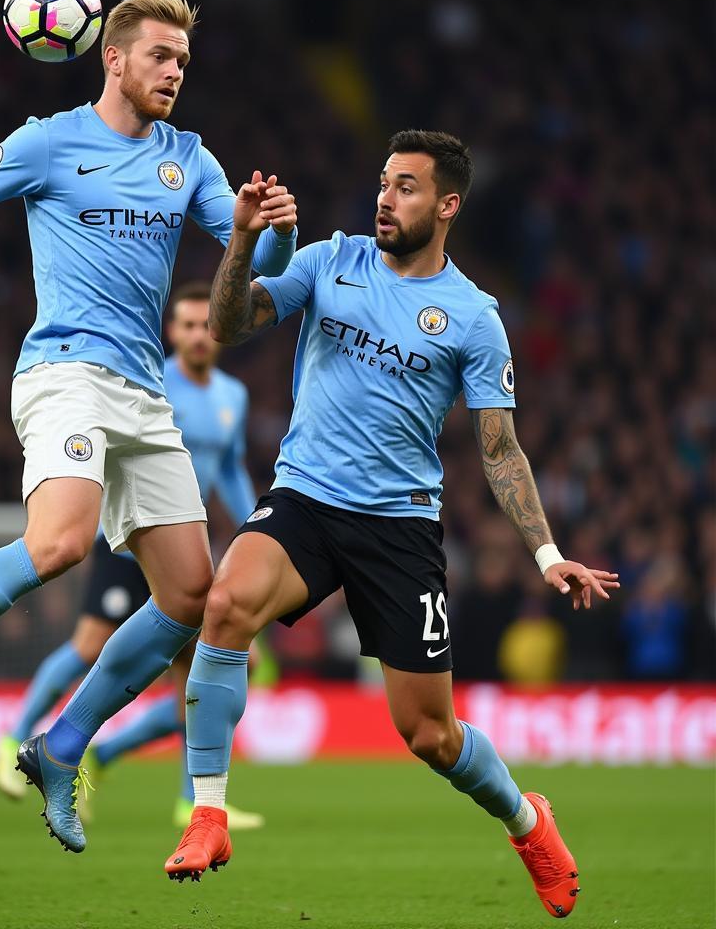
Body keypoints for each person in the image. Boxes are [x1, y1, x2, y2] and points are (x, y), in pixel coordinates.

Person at [0, 0, 298, 854]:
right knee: (60, 544)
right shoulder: (49, 140)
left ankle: (63, 746)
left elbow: (259, 270)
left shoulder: (188, 159)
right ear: (111, 59)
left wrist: (270, 230)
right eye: (159, 57)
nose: (173, 74)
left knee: (191, 597)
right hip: (65, 370)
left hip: (142, 393)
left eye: (183, 63)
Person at [162, 131, 619, 920]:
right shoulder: (328, 261)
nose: (385, 197)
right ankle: (209, 813)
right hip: (305, 499)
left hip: (399, 530)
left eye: (406, 186)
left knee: (430, 735)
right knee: (226, 602)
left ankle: (527, 821)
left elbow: (500, 447)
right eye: (382, 182)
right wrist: (241, 240)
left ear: (447, 205)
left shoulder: (474, 318)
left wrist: (546, 552)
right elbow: (232, 322)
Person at [0, 282, 265, 831]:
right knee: (90, 646)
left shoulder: (232, 397)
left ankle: (188, 797)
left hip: (181, 548)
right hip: (127, 537)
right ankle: (13, 739)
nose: (196, 336)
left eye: (205, 326)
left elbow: (231, 470)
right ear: (171, 331)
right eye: (186, 325)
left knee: (206, 671)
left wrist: (256, 522)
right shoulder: (149, 380)